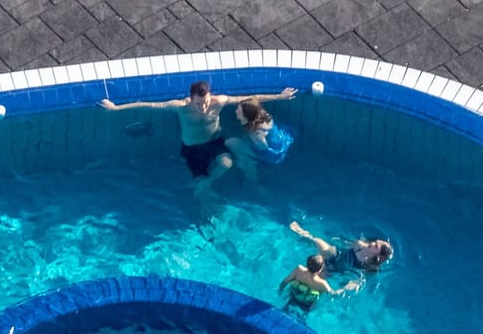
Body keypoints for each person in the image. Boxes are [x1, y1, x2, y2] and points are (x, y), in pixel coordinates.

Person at [98, 80, 297, 194]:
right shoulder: (180, 107)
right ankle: (205, 189)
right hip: (192, 148)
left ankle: (213, 181)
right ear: (190, 98)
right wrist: (116, 108)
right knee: (201, 188)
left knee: (226, 163)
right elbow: (149, 104)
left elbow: (248, 98)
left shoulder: (218, 102)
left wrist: (280, 96)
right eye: (199, 103)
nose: (204, 107)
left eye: (206, 102)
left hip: (215, 142)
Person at [287, 220, 394, 275]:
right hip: (336, 254)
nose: (373, 243)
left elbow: (359, 277)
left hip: (339, 269)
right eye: (375, 242)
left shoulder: (370, 266)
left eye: (376, 246)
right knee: (317, 241)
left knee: (319, 275)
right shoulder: (360, 245)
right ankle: (301, 233)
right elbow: (346, 244)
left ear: (378, 256)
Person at [223, 100, 289, 179]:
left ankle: (250, 168)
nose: (236, 111)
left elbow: (264, 148)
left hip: (271, 153)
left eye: (239, 110)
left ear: (246, 115)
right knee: (243, 140)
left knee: (230, 143)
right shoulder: (261, 114)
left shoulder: (256, 133)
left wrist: (258, 145)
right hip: (280, 141)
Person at [280, 254, 362, 316]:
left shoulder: (298, 270)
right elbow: (334, 294)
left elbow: (285, 282)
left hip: (292, 297)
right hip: (306, 305)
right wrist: (346, 287)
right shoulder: (321, 283)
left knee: (284, 311)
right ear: (320, 269)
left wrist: (280, 291)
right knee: (301, 318)